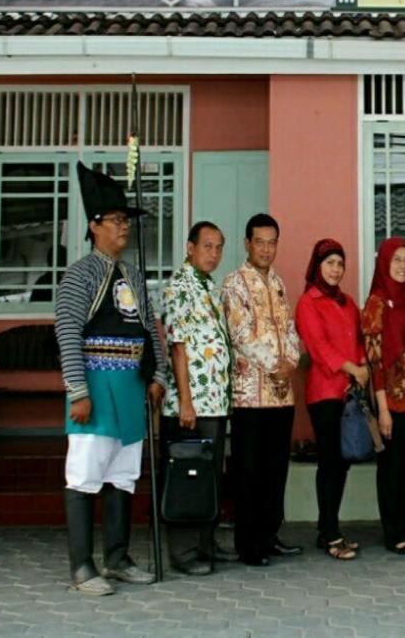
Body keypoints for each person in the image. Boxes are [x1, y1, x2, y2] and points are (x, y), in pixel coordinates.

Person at [56, 163, 169, 596]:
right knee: (85, 474)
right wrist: (78, 391)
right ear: (94, 225)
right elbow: (68, 333)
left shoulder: (134, 275)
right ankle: (83, 566)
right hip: (96, 388)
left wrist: (157, 374)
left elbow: (149, 329)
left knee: (123, 474)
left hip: (131, 389)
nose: (124, 227)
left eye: (126, 220)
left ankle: (118, 557)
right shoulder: (79, 275)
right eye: (116, 220)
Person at [220, 213, 303, 565]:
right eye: (260, 242)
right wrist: (275, 366)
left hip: (281, 397)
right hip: (250, 397)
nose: (266, 249)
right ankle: (249, 544)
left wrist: (292, 363)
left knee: (275, 470)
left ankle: (270, 535)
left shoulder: (279, 283)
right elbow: (240, 334)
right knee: (250, 472)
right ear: (247, 244)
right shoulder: (234, 284)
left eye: (272, 243)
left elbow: (290, 330)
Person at [159, 221, 237, 575]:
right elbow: (178, 347)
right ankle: (184, 552)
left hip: (214, 402)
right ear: (190, 248)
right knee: (186, 476)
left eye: (219, 247)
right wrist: (186, 402)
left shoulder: (209, 287)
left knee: (208, 476)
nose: (214, 253)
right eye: (207, 246)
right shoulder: (179, 287)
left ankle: (206, 542)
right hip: (191, 405)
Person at [295, 238, 366, 560]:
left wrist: (362, 364)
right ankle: (330, 533)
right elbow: (319, 347)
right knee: (330, 462)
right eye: (330, 263)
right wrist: (353, 368)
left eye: (340, 264)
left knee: (342, 462)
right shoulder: (308, 303)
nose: (336, 270)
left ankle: (329, 528)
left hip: (349, 392)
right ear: (317, 266)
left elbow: (359, 339)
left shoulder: (347, 302)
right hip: (324, 394)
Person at [361, 236, 405, 554]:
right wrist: (383, 409)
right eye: (396, 259)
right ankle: (393, 533)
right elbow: (374, 361)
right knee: (392, 468)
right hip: (390, 401)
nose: (402, 265)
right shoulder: (375, 303)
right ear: (384, 263)